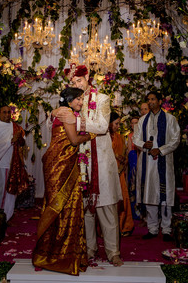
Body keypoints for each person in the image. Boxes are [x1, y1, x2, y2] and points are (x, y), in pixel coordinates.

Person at [32, 87, 95, 275]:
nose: (80, 103)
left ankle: (51, 252)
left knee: (57, 205)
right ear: (68, 99)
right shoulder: (67, 112)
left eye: (82, 99)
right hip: (60, 165)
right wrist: (92, 135)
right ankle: (61, 255)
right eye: (78, 99)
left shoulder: (62, 111)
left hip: (58, 163)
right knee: (65, 205)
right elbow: (74, 140)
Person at [67, 64, 124, 266]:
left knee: (106, 206)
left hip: (101, 159)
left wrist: (76, 122)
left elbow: (101, 126)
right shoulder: (71, 102)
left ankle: (113, 251)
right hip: (81, 161)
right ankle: (90, 248)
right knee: (85, 210)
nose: (77, 85)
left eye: (79, 81)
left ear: (88, 77)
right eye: (73, 82)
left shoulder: (102, 99)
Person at [133, 91, 180, 241]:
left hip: (164, 162)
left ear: (159, 101)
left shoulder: (170, 119)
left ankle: (166, 229)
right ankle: (152, 228)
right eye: (149, 100)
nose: (151, 102)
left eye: (153, 99)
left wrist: (160, 150)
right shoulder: (142, 121)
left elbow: (175, 140)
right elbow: (136, 138)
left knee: (164, 195)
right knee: (149, 195)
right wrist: (143, 145)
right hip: (147, 162)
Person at [0, 104, 29, 221]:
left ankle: (7, 216)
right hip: (1, 163)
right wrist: (11, 140)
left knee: (11, 192)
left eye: (8, 112)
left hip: (13, 163)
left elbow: (22, 143)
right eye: (4, 112)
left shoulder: (16, 127)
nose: (7, 115)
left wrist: (19, 138)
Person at [109, 111, 134, 236]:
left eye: (119, 124)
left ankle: (123, 225)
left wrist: (123, 159)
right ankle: (107, 228)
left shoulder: (119, 137)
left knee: (122, 199)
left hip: (119, 174)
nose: (118, 127)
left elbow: (124, 155)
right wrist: (115, 156)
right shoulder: (102, 137)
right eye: (116, 124)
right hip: (107, 175)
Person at [127, 112, 142, 220]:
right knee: (132, 185)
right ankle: (133, 211)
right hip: (132, 162)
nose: (134, 125)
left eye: (136, 123)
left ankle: (142, 212)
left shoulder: (142, 135)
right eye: (132, 123)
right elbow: (129, 151)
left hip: (141, 161)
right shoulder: (130, 136)